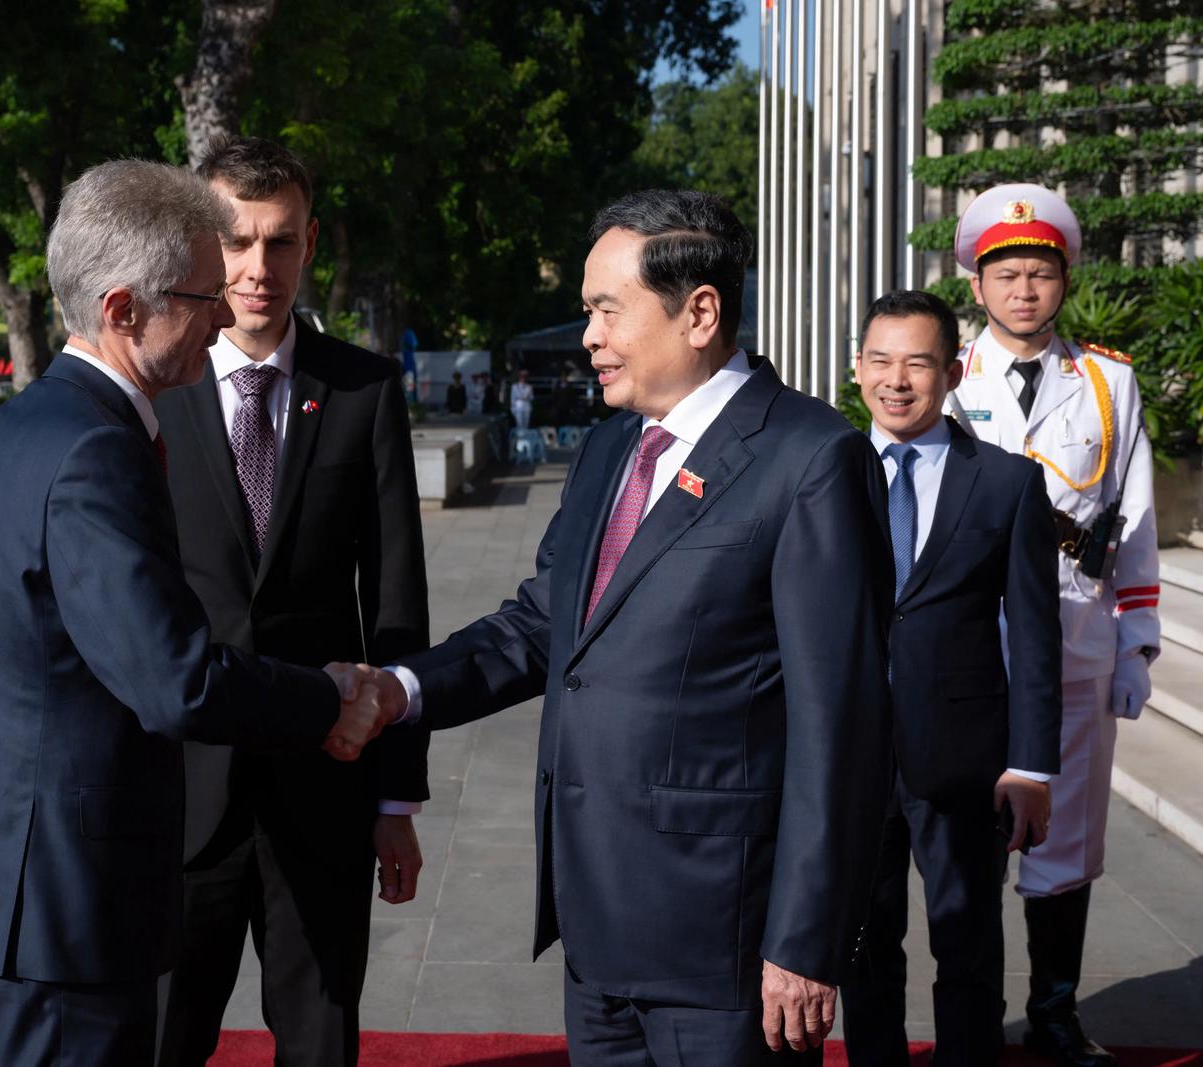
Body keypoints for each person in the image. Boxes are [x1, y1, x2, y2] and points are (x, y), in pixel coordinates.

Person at [361, 190, 895, 1065]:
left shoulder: (811, 458)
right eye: (587, 312)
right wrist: (400, 689)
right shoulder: (611, 446)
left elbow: (843, 726)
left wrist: (805, 939)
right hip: (595, 924)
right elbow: (542, 625)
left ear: (700, 313)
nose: (589, 337)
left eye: (608, 311)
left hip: (723, 944)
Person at [0, 159, 389, 1067]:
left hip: (35, 878)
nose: (224, 316)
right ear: (124, 308)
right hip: (64, 898)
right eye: (204, 295)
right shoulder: (95, 449)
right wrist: (328, 697)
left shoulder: (32, 420)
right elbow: (174, 679)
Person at [152, 137, 432, 1067]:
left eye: (279, 241)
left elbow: (397, 608)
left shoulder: (365, 391)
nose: (257, 268)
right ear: (204, 244)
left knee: (319, 1040)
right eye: (237, 241)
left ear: (309, 243)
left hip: (325, 784)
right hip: (182, 790)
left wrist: (396, 795)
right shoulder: (154, 394)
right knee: (163, 1035)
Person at [947, 184, 1160, 1067]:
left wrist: (1137, 641)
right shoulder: (946, 376)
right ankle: (973, 1015)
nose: (1024, 290)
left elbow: (1133, 515)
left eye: (1039, 273)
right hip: (972, 641)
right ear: (977, 286)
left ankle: (1056, 1011)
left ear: (1064, 280)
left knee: (1066, 838)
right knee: (968, 838)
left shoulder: (1109, 383)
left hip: (1075, 636)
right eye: (1007, 275)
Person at [838, 290, 1062, 1066]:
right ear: (857, 367)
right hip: (850, 754)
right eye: (880, 360)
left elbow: (1036, 634)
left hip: (965, 758)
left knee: (968, 946)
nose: (896, 380)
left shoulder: (1006, 482)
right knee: (863, 946)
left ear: (954, 371)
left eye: (918, 362)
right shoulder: (822, 473)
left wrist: (1031, 766)